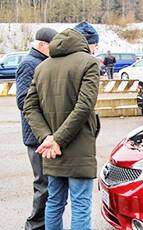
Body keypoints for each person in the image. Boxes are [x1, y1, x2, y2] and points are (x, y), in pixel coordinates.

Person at [23, 21, 100, 230]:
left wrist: (47, 137)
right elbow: (84, 107)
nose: (96, 49)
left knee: (55, 202)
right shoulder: (89, 63)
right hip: (78, 146)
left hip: (51, 149)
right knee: (81, 205)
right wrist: (56, 139)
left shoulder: (42, 67)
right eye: (96, 45)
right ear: (86, 42)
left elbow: (29, 107)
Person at [15, 27, 57, 230]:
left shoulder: (40, 62)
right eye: (52, 46)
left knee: (48, 184)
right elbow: (23, 101)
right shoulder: (29, 64)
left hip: (43, 134)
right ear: (42, 45)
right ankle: (34, 226)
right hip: (35, 135)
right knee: (43, 184)